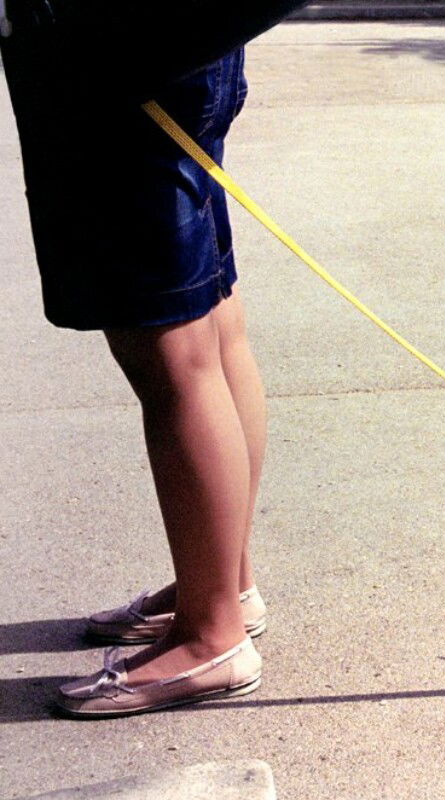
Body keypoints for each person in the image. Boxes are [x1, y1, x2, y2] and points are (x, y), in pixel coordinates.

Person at [1, 11, 279, 716]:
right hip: (172, 48)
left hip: (124, 56)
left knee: (171, 352)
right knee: (211, 323)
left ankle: (211, 634)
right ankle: (222, 590)